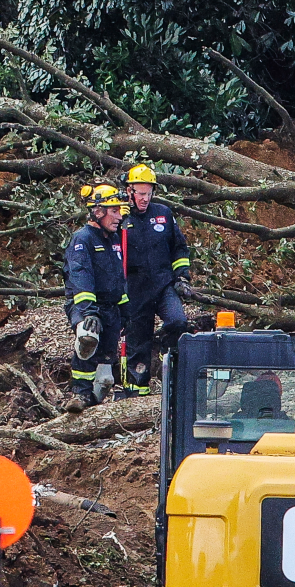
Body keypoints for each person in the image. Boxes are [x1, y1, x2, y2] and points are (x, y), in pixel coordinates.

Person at [120, 163, 191, 397]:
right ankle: (137, 392)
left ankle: (165, 354)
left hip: (163, 285)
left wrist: (181, 277)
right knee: (137, 343)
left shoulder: (163, 214)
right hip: (135, 289)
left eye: (148, 193)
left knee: (178, 321)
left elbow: (179, 248)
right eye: (140, 193)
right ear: (129, 191)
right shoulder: (120, 219)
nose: (145, 199)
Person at [62, 183, 130, 413]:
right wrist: (89, 311)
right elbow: (81, 276)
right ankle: (79, 393)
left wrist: (125, 309)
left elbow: (117, 278)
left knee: (106, 375)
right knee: (88, 336)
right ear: (98, 211)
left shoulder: (112, 239)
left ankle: (95, 401)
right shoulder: (83, 239)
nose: (119, 216)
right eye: (114, 211)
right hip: (86, 305)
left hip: (111, 307)